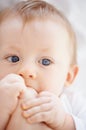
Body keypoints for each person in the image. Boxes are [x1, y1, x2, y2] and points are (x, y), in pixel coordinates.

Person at [0, 0, 86, 130]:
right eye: (13, 58)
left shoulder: (72, 101)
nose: (26, 71)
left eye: (45, 61)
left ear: (68, 76)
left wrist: (65, 122)